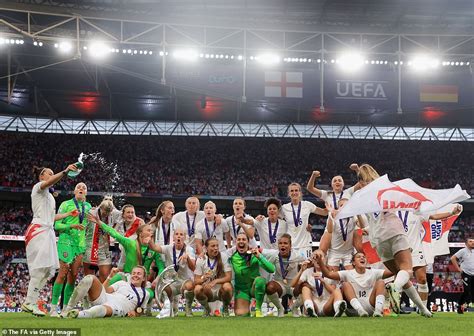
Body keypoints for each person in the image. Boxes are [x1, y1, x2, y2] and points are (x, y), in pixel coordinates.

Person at [348, 163, 432, 317]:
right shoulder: (385, 187)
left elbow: (352, 196)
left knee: (402, 276)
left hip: (377, 238)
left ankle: (424, 310)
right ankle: (395, 288)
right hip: (393, 230)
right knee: (406, 270)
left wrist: (357, 172)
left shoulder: (359, 194)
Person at [22, 163, 77, 316]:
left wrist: (67, 215)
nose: (52, 175)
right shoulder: (38, 187)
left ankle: (31, 302)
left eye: (53, 173)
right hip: (38, 230)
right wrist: (65, 171)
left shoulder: (50, 198)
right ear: (42, 176)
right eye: (49, 173)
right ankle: (29, 302)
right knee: (40, 268)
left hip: (48, 231)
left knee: (48, 271)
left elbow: (52, 218)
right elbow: (50, 183)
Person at [397, 204, 462, 310]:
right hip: (400, 249)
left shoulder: (417, 212)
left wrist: (452, 213)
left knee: (422, 279)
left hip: (416, 249)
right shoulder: (393, 211)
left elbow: (434, 217)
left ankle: (423, 309)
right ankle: (395, 306)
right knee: (400, 280)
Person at [50, 182, 92, 316]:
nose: (81, 188)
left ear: (86, 192)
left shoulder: (88, 206)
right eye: (79, 187)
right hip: (66, 242)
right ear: (74, 191)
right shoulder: (65, 204)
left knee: (73, 276)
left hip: (80, 245)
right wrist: (71, 227)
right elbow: (56, 225)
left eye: (84, 188)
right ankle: (52, 308)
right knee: (62, 274)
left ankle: (65, 309)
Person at [316, 251, 392, 317]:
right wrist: (320, 262)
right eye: (359, 257)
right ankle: (360, 310)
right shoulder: (347, 273)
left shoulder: (373, 272)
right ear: (353, 262)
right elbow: (328, 274)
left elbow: (392, 271)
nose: (362, 258)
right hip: (353, 309)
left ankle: (378, 311)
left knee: (381, 282)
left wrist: (397, 259)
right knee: (345, 284)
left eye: (364, 257)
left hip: (370, 305)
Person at [62, 266, 149, 318]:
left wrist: (135, 313)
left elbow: (141, 310)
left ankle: (79, 314)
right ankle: (67, 309)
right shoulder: (122, 283)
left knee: (101, 309)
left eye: (139, 273)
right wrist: (110, 277)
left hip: (119, 307)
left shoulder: (145, 293)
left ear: (144, 278)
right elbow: (104, 290)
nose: (135, 275)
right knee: (90, 278)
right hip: (107, 297)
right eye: (134, 273)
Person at [226, 232, 275, 317]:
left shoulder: (254, 254)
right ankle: (246, 309)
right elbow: (219, 257)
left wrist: (259, 256)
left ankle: (258, 310)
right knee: (241, 314)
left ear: (248, 243)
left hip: (254, 287)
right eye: (239, 239)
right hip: (241, 290)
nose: (241, 241)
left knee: (260, 281)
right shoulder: (232, 256)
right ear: (235, 243)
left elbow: (271, 269)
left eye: (244, 239)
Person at [149, 228, 196, 317]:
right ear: (173, 237)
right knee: (162, 289)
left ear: (185, 237)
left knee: (190, 287)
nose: (179, 236)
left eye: (181, 234)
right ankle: (170, 309)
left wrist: (187, 258)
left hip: (185, 281)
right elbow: (154, 247)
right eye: (176, 234)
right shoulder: (168, 248)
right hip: (172, 281)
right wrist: (150, 238)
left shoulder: (189, 250)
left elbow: (193, 267)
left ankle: (188, 308)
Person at [292, 250, 346, 317]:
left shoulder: (330, 272)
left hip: (327, 304)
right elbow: (293, 285)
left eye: (320, 257)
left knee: (337, 290)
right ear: (312, 260)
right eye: (315, 257)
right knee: (305, 288)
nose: (318, 259)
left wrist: (323, 281)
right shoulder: (308, 271)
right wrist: (301, 270)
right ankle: (310, 308)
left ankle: (338, 309)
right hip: (314, 303)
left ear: (325, 259)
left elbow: (333, 292)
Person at [262, 234, 305, 317]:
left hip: (293, 285)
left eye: (285, 243)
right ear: (278, 245)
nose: (283, 245)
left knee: (306, 287)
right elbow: (262, 253)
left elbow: (307, 262)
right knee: (269, 287)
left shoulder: (298, 256)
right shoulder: (274, 255)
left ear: (290, 245)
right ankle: (280, 308)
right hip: (280, 285)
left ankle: (295, 307)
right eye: (280, 243)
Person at [281, 183, 327, 258]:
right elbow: (274, 219)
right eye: (292, 191)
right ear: (289, 193)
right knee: (293, 269)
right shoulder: (284, 208)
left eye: (296, 190)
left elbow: (324, 213)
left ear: (300, 193)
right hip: (291, 245)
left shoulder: (307, 205)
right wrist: (262, 218)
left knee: (307, 268)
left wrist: (329, 202)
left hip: (305, 245)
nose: (294, 192)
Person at [194, 238, 233, 316]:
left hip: (220, 291)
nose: (216, 248)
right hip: (208, 291)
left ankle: (225, 308)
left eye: (217, 246)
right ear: (206, 248)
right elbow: (196, 280)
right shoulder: (201, 259)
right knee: (197, 289)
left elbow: (229, 277)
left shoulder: (224, 257)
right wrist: (203, 278)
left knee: (228, 287)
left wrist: (215, 281)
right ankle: (207, 309)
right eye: (213, 246)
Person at [321, 198, 360, 272]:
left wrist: (357, 213)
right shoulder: (333, 216)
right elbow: (329, 230)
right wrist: (330, 214)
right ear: (338, 207)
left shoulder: (353, 217)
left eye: (346, 205)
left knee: (351, 276)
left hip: (348, 252)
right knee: (332, 277)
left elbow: (361, 225)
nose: (344, 207)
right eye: (341, 205)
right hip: (334, 252)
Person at [83, 197, 117, 282]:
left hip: (105, 250)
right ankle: (90, 295)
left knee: (105, 277)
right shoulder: (91, 213)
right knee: (89, 278)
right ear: (100, 208)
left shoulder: (115, 215)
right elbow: (83, 229)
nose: (106, 214)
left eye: (108, 212)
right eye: (104, 211)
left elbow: (125, 214)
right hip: (90, 248)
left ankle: (103, 295)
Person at [451, 237, 474, 314]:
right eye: (470, 241)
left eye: (473, 241)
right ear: (466, 243)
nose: (472, 242)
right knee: (467, 291)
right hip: (466, 273)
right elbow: (453, 258)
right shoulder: (463, 251)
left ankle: (468, 305)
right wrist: (458, 268)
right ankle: (460, 306)